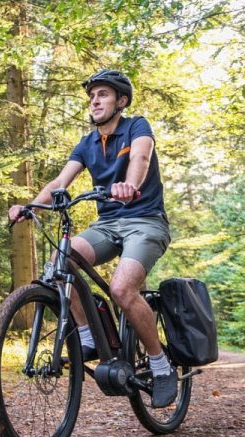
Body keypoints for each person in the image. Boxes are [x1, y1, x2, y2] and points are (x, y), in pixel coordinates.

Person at [9, 70, 176, 408]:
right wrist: (31, 207)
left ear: (121, 101)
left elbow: (140, 158)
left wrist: (130, 184)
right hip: (108, 223)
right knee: (62, 263)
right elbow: (61, 181)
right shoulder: (87, 143)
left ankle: (161, 366)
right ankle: (88, 336)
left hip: (145, 221)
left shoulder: (136, 127)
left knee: (121, 289)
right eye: (92, 96)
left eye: (102, 94)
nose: (95, 101)